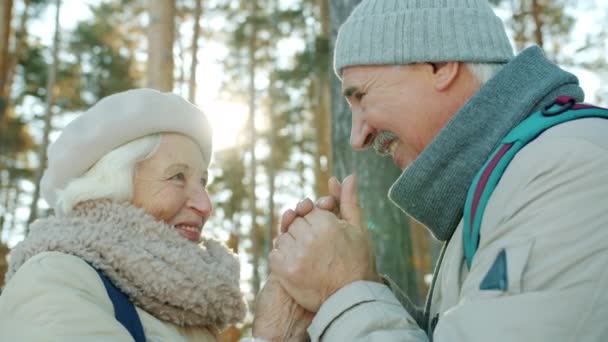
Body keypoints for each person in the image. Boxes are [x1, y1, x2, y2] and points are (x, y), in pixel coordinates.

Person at [253, 0, 608, 341]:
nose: (357, 137)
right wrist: (345, 291)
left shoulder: (567, 165)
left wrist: (344, 292)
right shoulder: (503, 188)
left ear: (439, 65)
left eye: (361, 97)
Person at [0, 89, 246, 341]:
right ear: (112, 189)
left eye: (203, 181)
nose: (205, 205)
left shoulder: (187, 306)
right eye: (177, 177)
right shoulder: (52, 278)